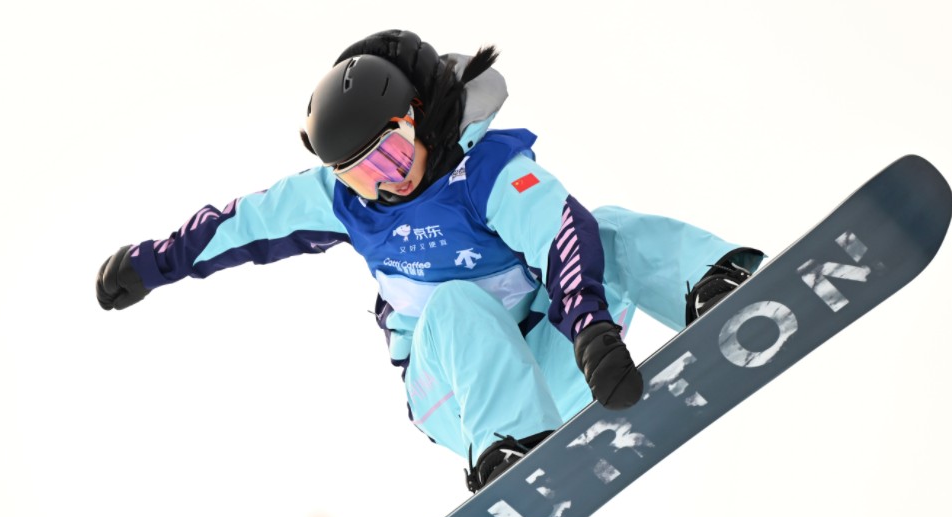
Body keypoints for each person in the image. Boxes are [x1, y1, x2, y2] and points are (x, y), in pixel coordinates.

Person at [96, 30, 763, 493]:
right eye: (358, 176)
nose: (383, 186)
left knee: (607, 229)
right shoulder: (345, 203)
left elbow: (557, 229)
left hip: (566, 352)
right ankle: (509, 446)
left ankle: (712, 286)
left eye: (389, 156)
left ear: (419, 116)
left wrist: (590, 331)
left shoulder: (483, 172)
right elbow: (241, 225)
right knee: (456, 303)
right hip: (456, 393)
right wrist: (150, 265)